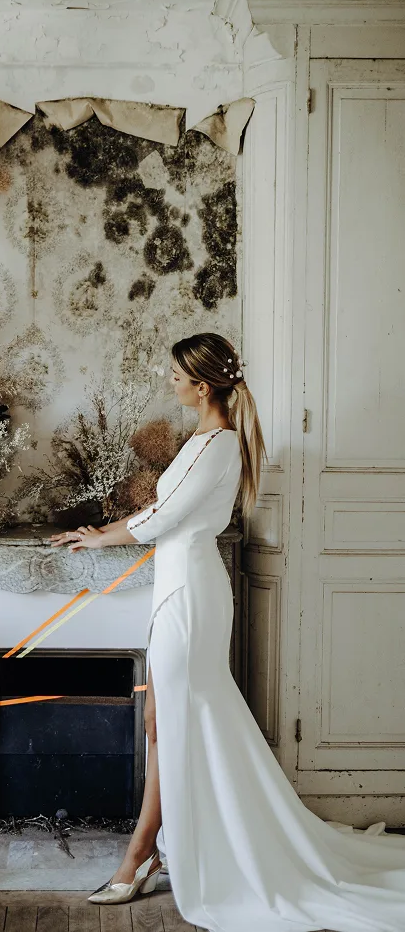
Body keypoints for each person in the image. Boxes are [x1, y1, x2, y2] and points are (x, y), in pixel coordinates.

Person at [48, 332, 405, 932]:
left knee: (177, 723)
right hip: (175, 591)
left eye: (176, 375)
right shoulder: (199, 442)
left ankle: (138, 856)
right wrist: (98, 529)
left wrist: (101, 537)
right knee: (161, 722)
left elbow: (163, 520)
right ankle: (151, 850)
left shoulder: (219, 446)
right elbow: (155, 515)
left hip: (191, 597)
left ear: (202, 386)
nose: (169, 382)